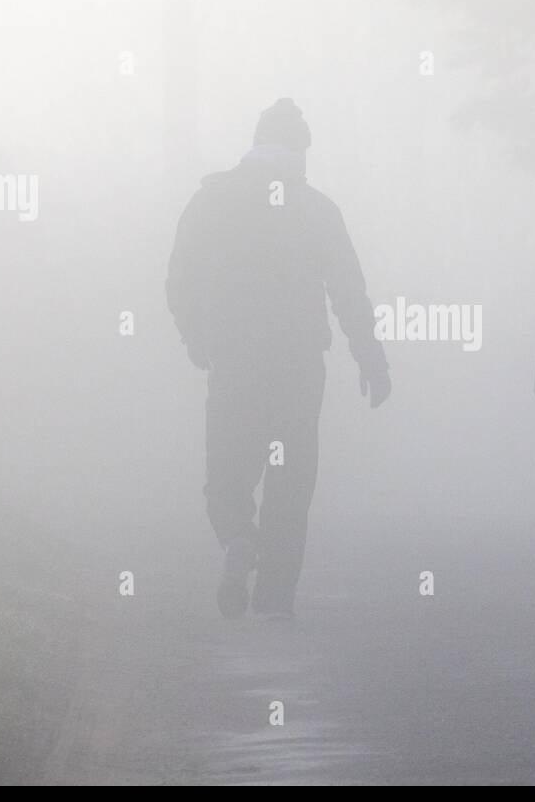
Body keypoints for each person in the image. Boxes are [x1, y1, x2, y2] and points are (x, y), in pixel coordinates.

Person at [166, 99, 390, 620]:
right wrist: (370, 358)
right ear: (298, 151)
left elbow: (179, 279)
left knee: (226, 474)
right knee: (291, 480)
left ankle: (238, 538)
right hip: (297, 368)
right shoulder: (317, 209)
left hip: (233, 362)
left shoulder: (210, 202)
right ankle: (274, 602)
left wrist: (195, 336)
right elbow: (349, 291)